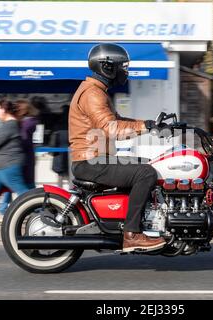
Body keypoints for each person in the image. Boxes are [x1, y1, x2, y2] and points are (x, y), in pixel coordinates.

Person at [69, 43, 166, 252]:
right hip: (91, 161)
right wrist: (144, 126)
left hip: (97, 158)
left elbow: (117, 120)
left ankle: (136, 222)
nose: (125, 71)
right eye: (123, 66)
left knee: (147, 165)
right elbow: (111, 128)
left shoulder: (96, 91)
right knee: (145, 173)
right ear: (108, 67)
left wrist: (149, 124)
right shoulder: (93, 93)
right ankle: (132, 234)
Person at [0, 99, 39, 215]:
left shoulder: (25, 124)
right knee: (24, 185)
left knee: (20, 186)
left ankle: (37, 209)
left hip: (21, 158)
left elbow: (21, 140)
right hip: (26, 158)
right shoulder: (28, 122)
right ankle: (37, 208)